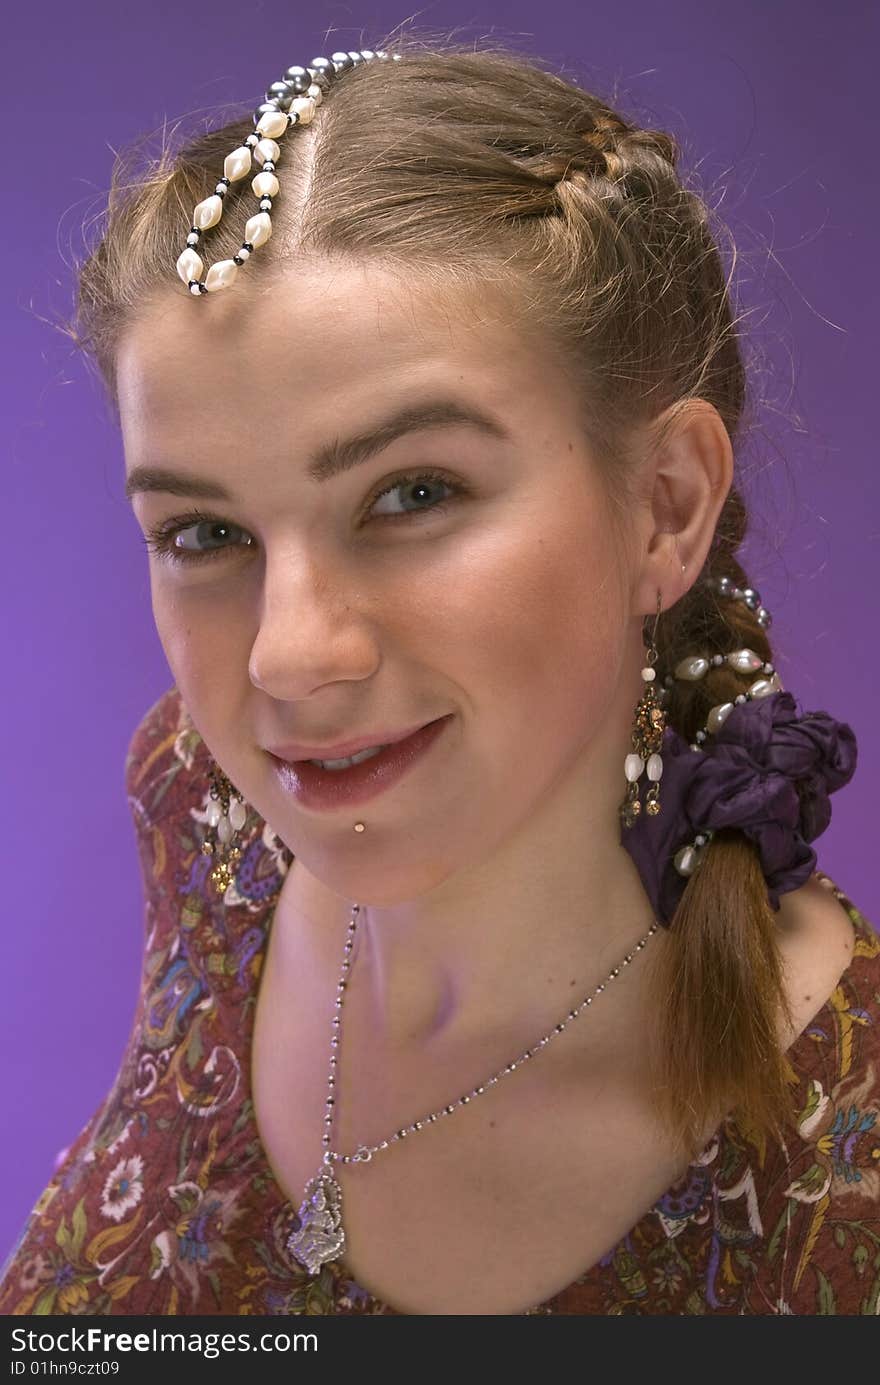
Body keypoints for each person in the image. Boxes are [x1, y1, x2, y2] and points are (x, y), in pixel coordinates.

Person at [0, 39, 876, 1318]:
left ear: (665, 508)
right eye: (205, 533)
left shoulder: (841, 1181)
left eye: (413, 493)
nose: (288, 656)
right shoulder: (206, 813)